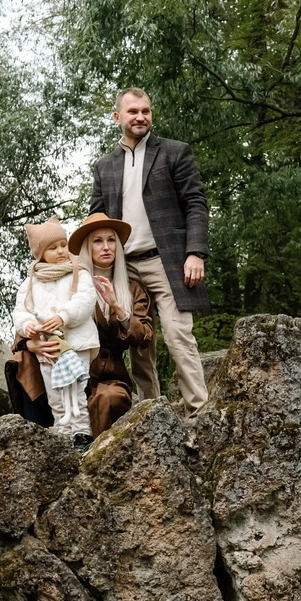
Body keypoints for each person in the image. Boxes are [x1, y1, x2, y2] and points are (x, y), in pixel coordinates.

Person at [88, 87, 211, 416]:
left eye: (146, 111)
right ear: (118, 117)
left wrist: (195, 252)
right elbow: (96, 220)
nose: (140, 117)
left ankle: (200, 413)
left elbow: (196, 204)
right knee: (139, 344)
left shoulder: (174, 152)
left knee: (178, 335)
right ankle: (152, 416)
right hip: (125, 268)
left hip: (167, 262)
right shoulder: (104, 167)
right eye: (133, 111)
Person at [9, 216, 98, 446]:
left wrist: (63, 316)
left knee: (76, 389)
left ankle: (81, 432)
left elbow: (86, 300)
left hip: (76, 343)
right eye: (52, 248)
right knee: (55, 392)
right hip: (47, 347)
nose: (60, 251)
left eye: (63, 245)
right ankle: (62, 433)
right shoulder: (30, 283)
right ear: (40, 253)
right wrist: (28, 326)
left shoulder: (79, 272)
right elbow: (21, 311)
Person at [69, 212, 155, 438]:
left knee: (108, 399)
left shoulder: (133, 289)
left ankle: (97, 455)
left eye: (111, 240)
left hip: (112, 377)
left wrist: (117, 306)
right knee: (22, 363)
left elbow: (145, 335)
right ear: (87, 248)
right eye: (98, 241)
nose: (106, 247)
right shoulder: (70, 284)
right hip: (75, 371)